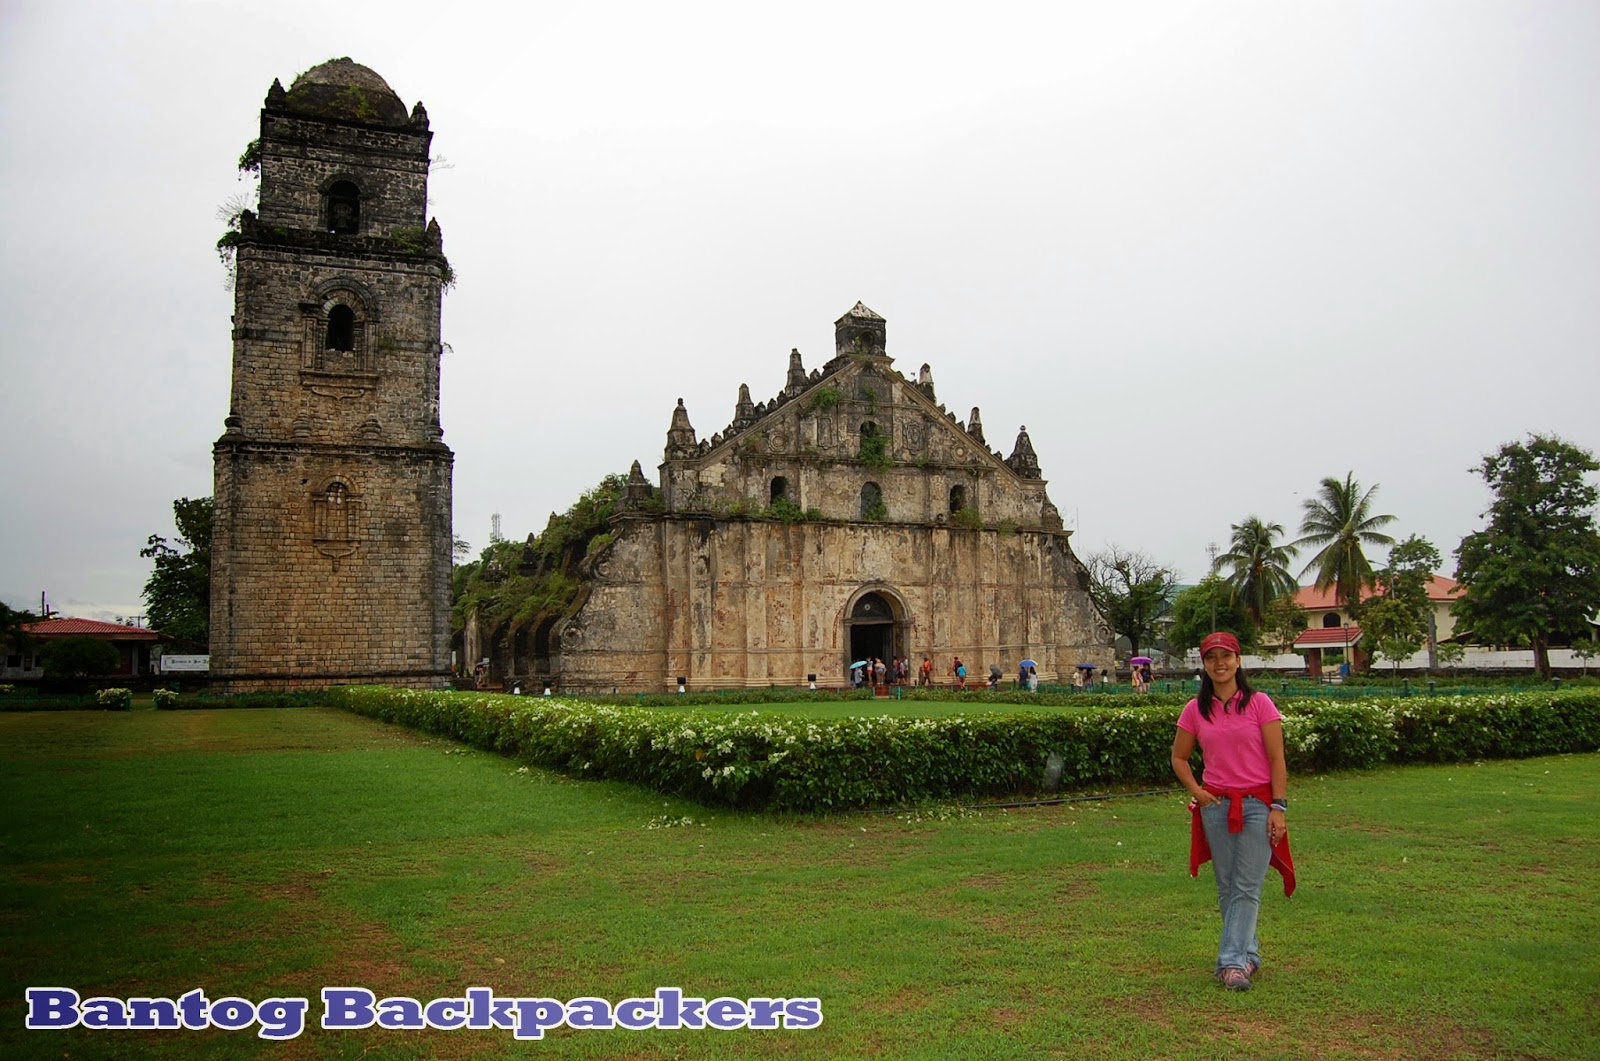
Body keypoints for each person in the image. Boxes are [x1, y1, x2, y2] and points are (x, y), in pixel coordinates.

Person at [1170, 631, 1291, 992]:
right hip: (1217, 806)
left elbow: (1276, 759)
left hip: (1257, 805)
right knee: (1227, 885)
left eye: (1226, 656)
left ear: (1239, 660)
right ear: (1204, 665)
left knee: (1247, 884)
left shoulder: (1259, 704)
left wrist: (1278, 807)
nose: (1219, 663)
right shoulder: (1196, 709)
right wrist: (1197, 791)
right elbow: (1179, 757)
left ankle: (1232, 963)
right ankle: (1248, 952)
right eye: (1211, 658)